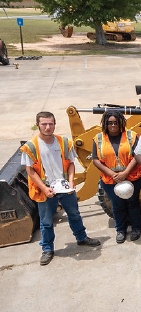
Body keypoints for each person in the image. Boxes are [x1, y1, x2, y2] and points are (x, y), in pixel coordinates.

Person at [21, 111, 100, 266]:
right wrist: (44, 188)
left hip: (65, 187)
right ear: (37, 125)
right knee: (46, 222)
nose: (48, 127)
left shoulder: (64, 142)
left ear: (55, 124)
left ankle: (81, 238)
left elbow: (71, 163)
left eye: (51, 124)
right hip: (46, 190)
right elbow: (30, 171)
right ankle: (47, 249)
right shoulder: (31, 146)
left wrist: (71, 182)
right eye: (44, 124)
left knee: (75, 215)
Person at [92, 110, 141, 243]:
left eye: (116, 122)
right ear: (105, 124)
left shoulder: (131, 135)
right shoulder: (98, 139)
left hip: (132, 176)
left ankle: (136, 228)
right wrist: (113, 174)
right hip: (110, 179)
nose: (113, 125)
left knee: (133, 203)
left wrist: (125, 173)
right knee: (117, 204)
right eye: (110, 123)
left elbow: (138, 155)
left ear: (121, 123)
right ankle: (121, 229)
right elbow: (96, 159)